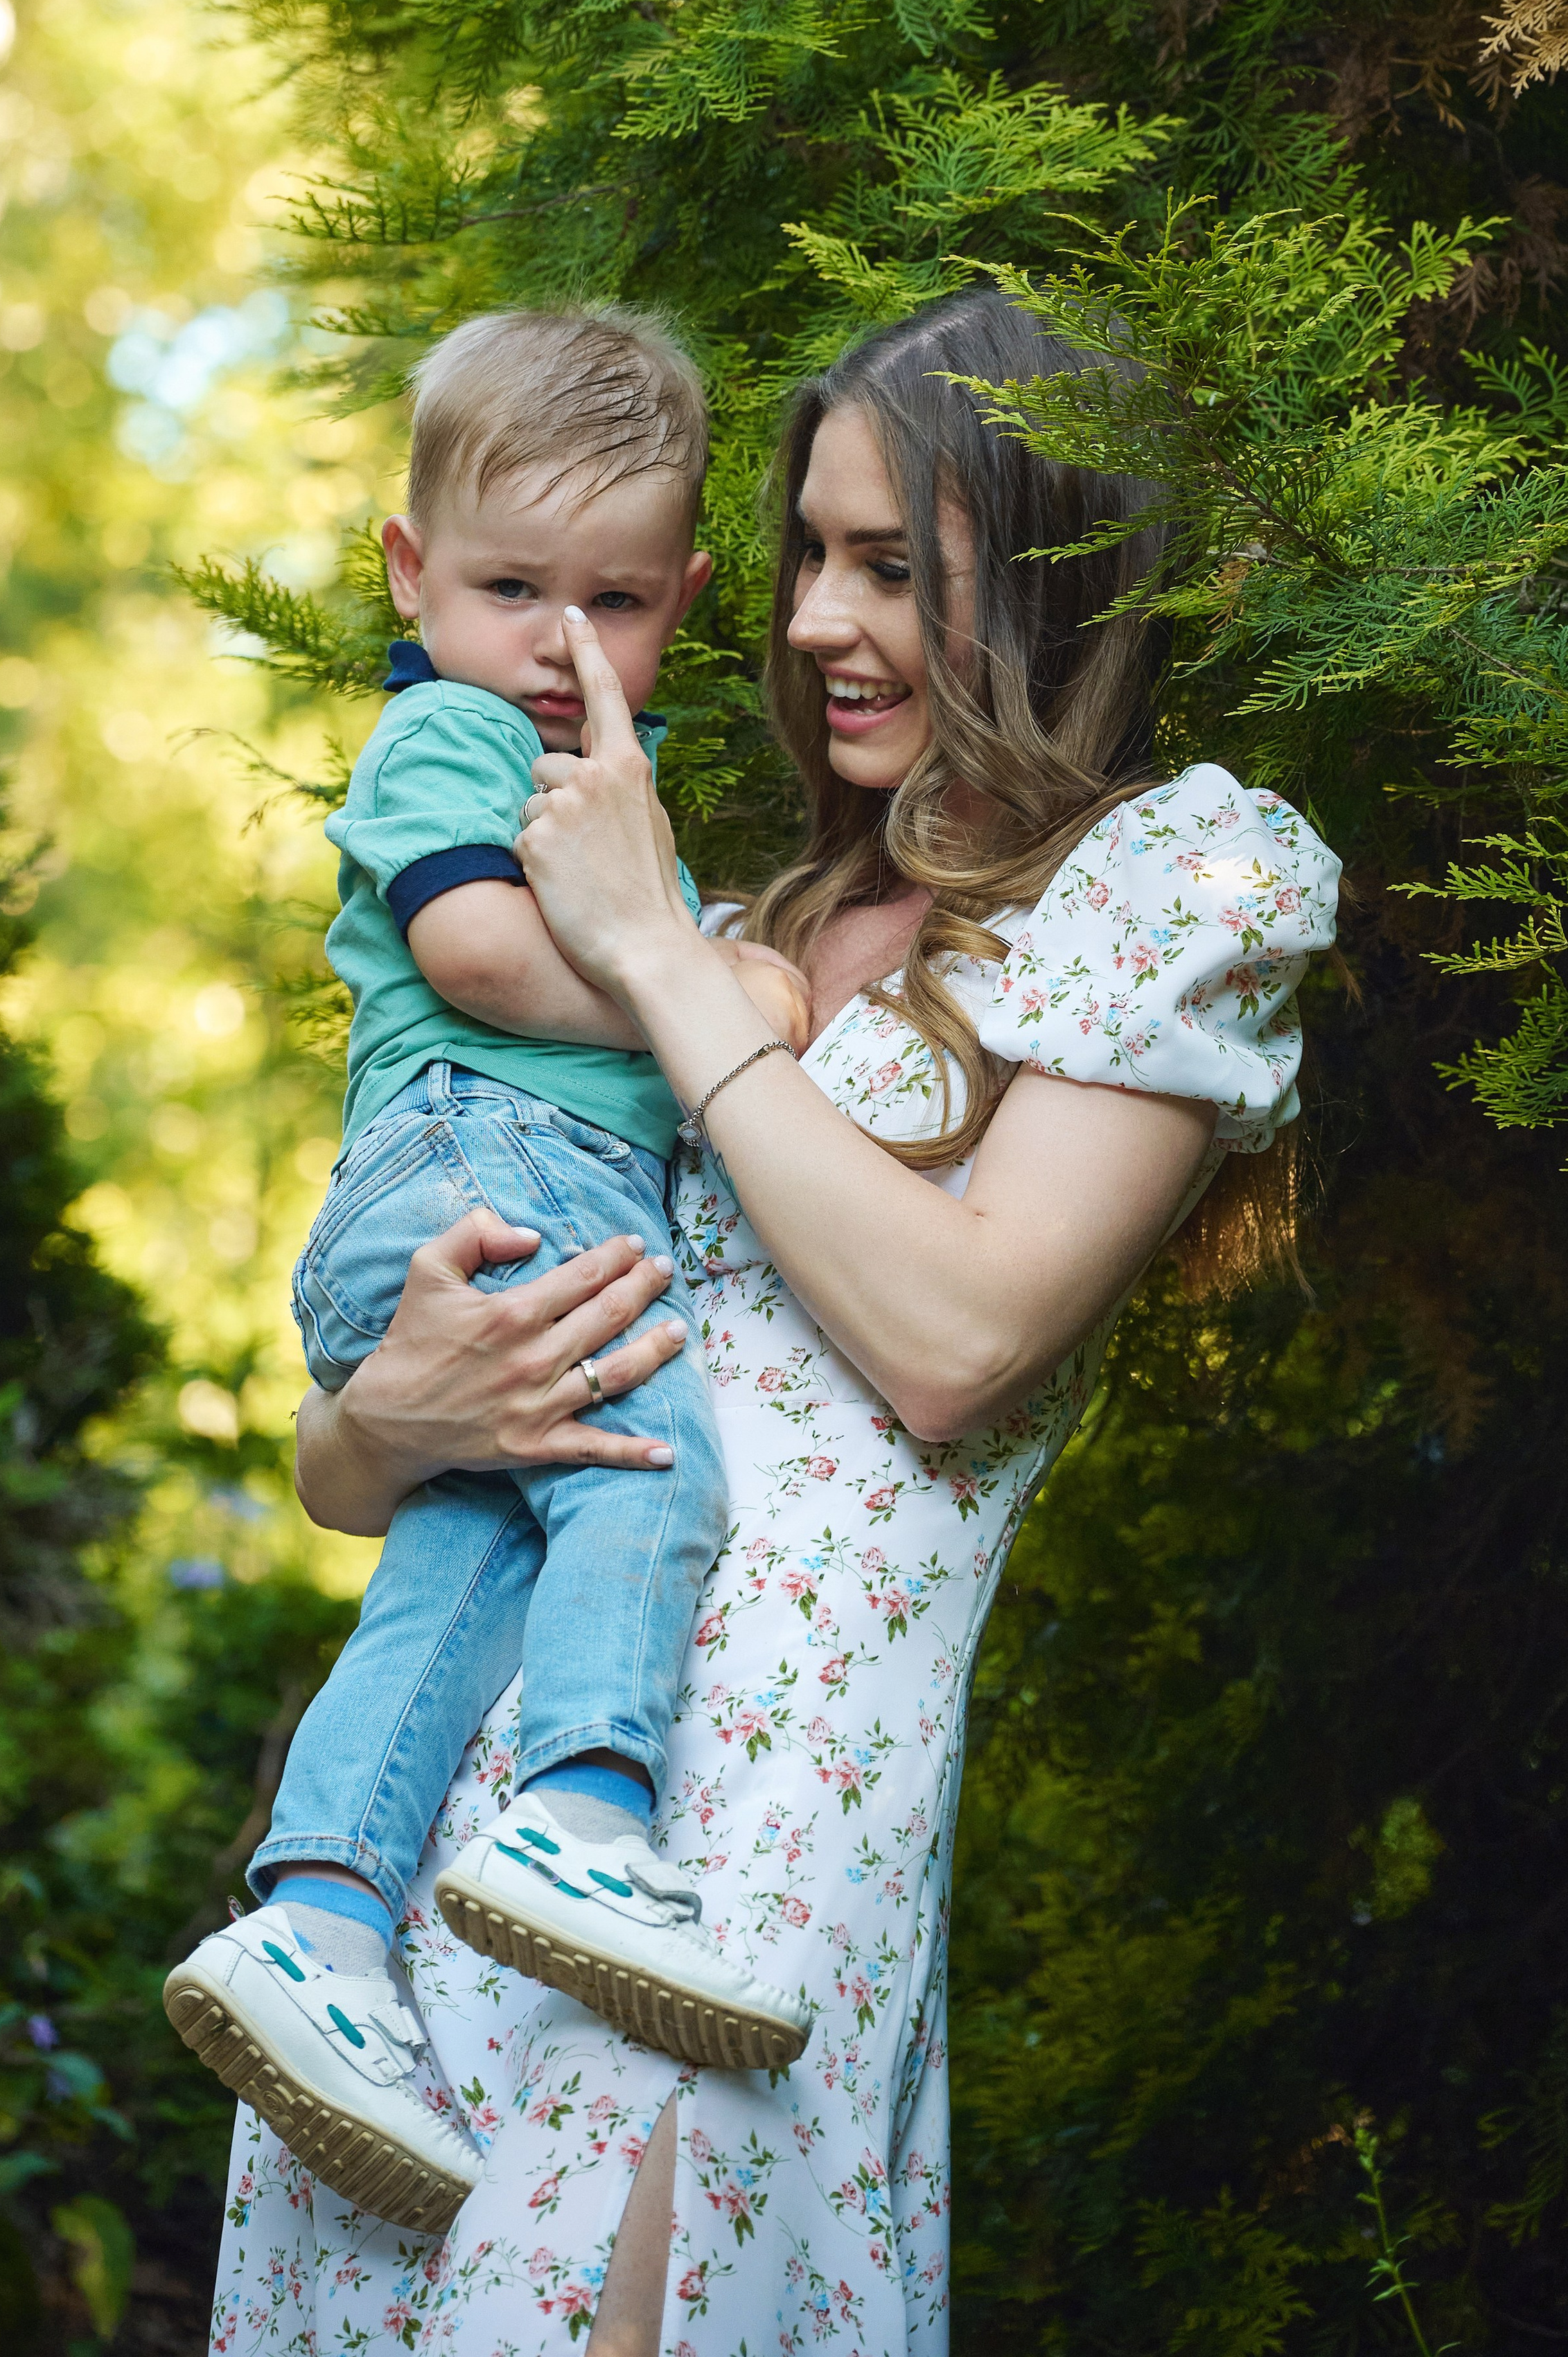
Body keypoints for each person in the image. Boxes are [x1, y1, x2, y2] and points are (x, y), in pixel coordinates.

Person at [207, 290, 1340, 2357]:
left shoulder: (1173, 890)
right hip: (476, 1819)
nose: (822, 619)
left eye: (895, 567)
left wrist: (653, 964)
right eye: (814, 552)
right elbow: (348, 1469)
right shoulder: (750, 934)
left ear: (1063, 579)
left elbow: (958, 1342)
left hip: (758, 1834)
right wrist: (394, 1416)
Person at [166, 308, 817, 2236]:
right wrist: (703, 997)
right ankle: (591, 1815)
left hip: (455, 1204)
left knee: (468, 1565)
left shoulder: (597, 773)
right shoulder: (450, 732)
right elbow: (469, 948)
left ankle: (318, 1922)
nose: (559, 644)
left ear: (685, 602)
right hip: (488, 1166)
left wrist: (696, 958)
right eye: (507, 585)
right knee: (652, 1467)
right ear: (408, 574)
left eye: (611, 601)